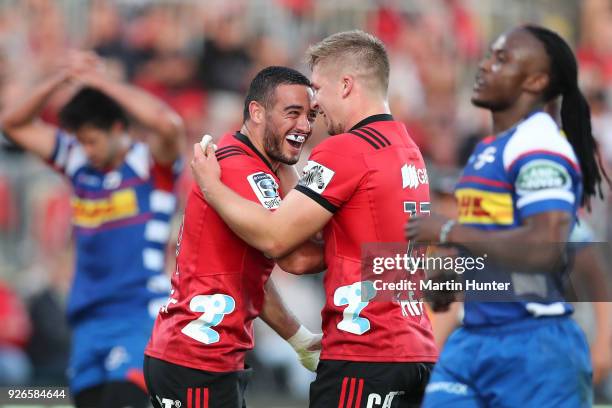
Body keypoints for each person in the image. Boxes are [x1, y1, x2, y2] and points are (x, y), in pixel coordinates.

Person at [191, 31, 438, 407]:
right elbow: (356, 238)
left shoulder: (345, 150)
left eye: (318, 89)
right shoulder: (408, 149)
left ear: (346, 85)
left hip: (364, 352)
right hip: (415, 348)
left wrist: (212, 187)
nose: (316, 105)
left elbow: (279, 242)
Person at [405, 25, 610, 407]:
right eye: (488, 55)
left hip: (534, 348)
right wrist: (447, 275)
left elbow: (547, 248)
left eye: (502, 59)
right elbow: (490, 243)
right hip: (475, 340)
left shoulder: (540, 147)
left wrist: (449, 229)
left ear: (536, 80)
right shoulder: (489, 150)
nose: (484, 66)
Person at [0, 52, 184, 408]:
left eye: (91, 140)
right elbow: (12, 125)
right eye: (79, 141)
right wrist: (60, 79)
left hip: (139, 312)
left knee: (124, 399)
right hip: (87, 318)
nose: (85, 149)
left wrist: (102, 84)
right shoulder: (78, 162)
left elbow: (168, 124)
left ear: (117, 129)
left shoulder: (150, 166)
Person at [144, 66, 325, 408]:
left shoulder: (256, 163)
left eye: (311, 115)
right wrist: (362, 242)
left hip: (203, 358)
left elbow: (248, 277)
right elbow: (292, 254)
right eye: (293, 113)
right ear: (256, 112)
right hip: (197, 359)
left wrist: (300, 339)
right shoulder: (241, 167)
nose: (305, 125)